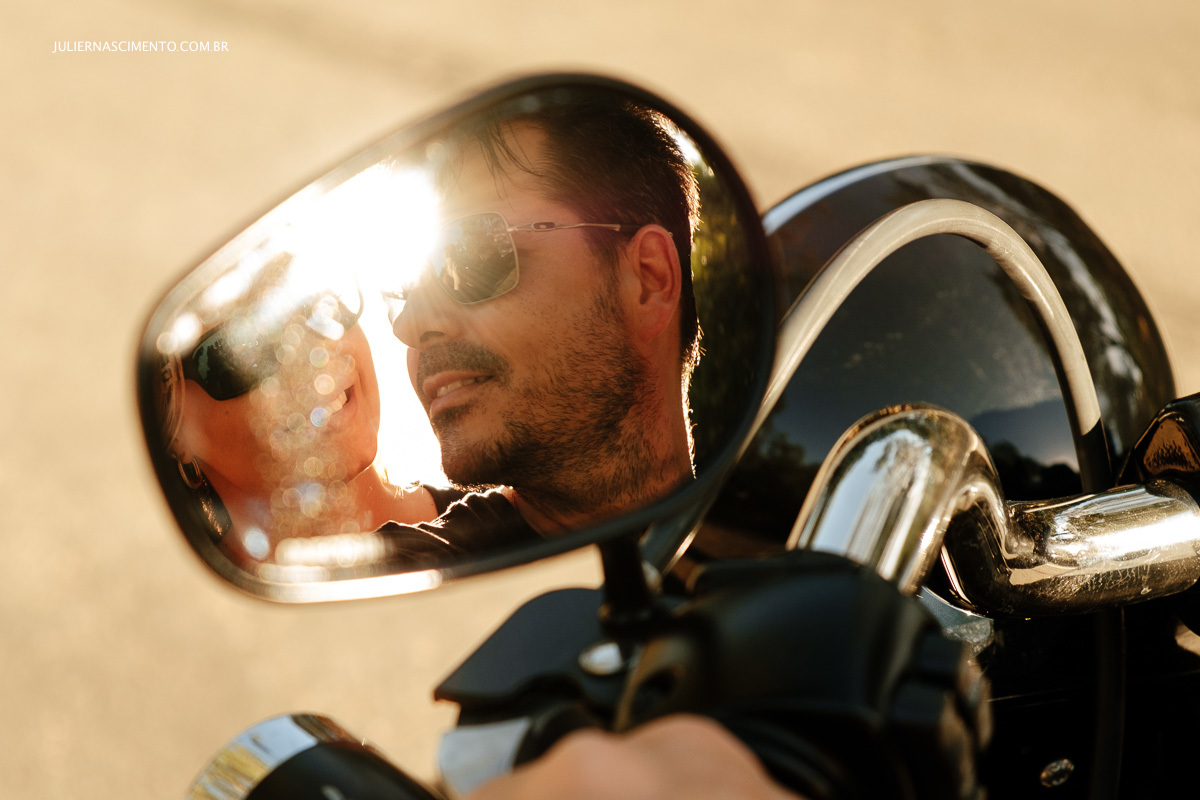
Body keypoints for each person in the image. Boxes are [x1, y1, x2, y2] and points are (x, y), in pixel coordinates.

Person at [390, 93, 702, 541]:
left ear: (649, 280)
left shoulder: (777, 536)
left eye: (474, 258)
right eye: (404, 292)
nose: (409, 327)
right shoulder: (412, 570)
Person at [158, 283, 444, 565]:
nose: (315, 349)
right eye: (247, 344)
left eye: (322, 303)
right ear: (168, 420)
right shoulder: (199, 608)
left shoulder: (487, 531)